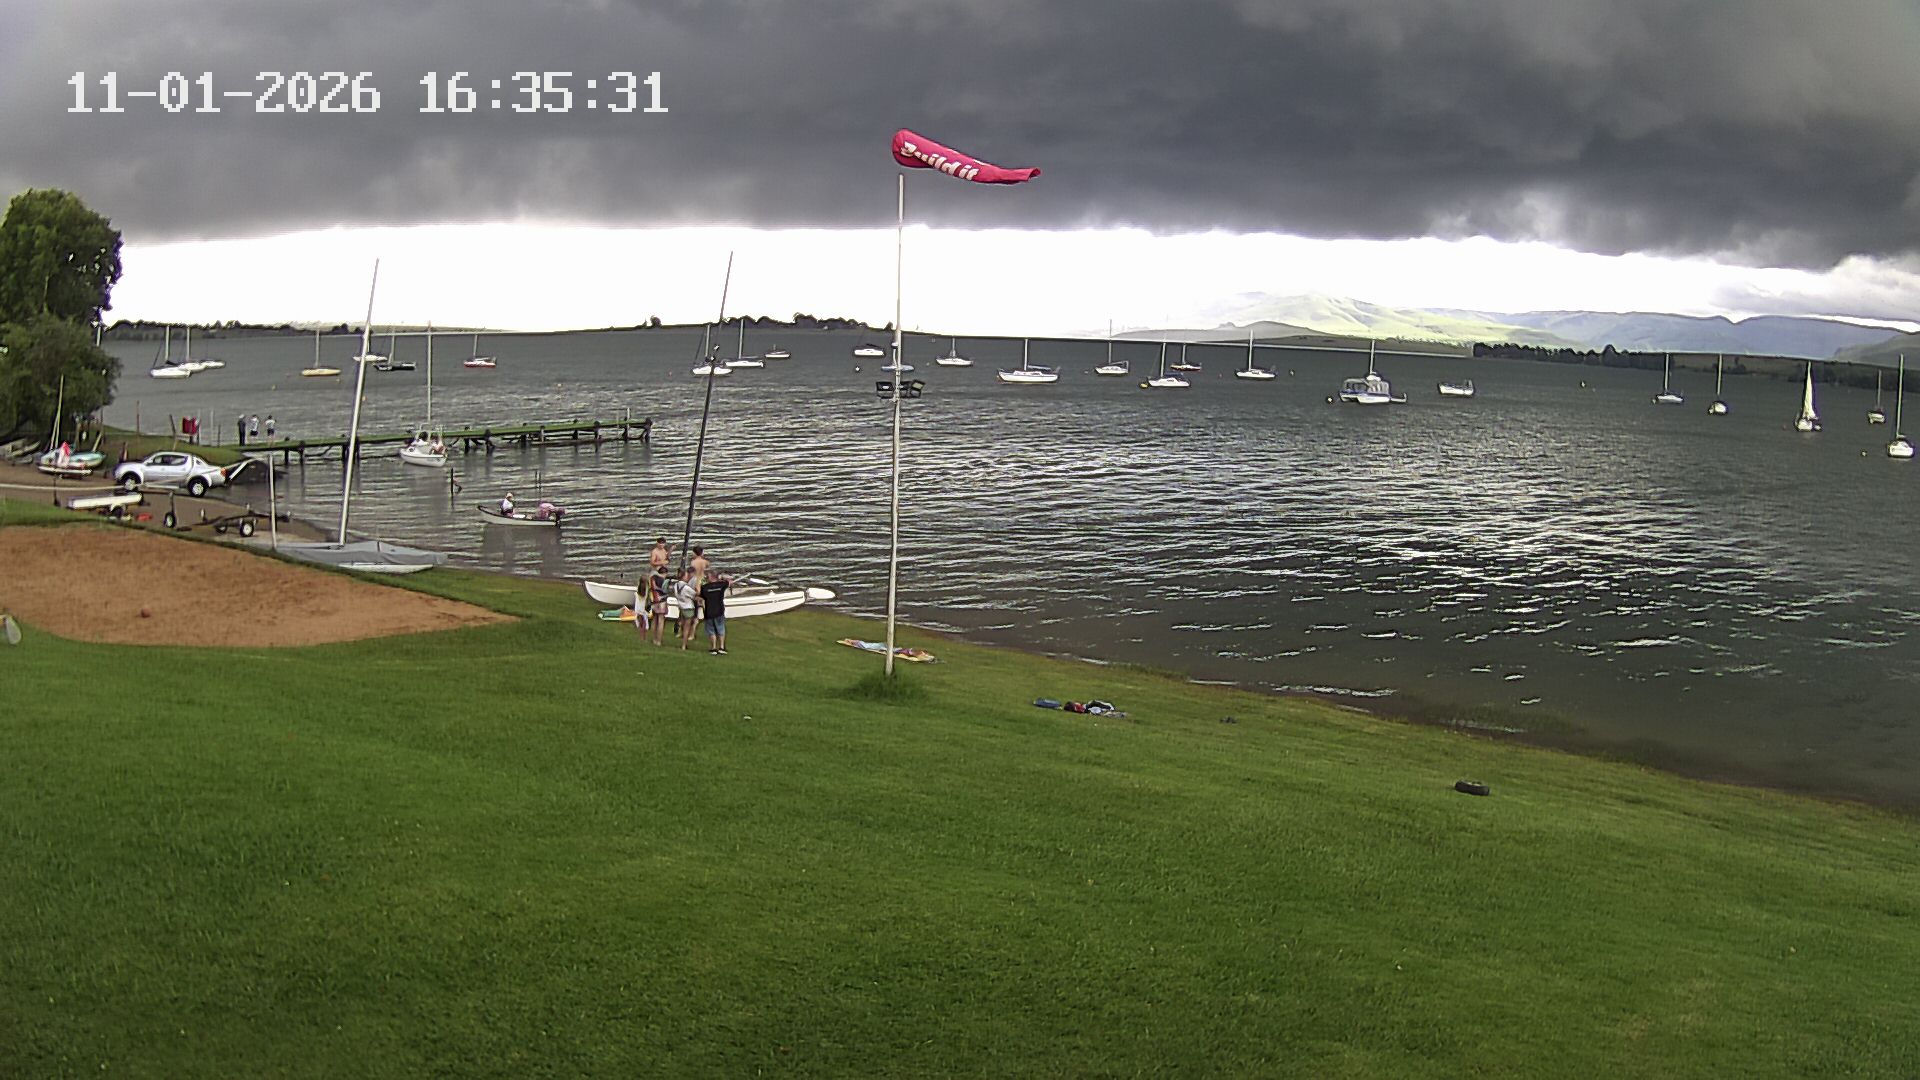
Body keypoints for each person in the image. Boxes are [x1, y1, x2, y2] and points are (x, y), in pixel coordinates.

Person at [700, 571, 730, 655]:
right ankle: (721, 647)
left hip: (709, 611)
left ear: (711, 577)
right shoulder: (721, 585)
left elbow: (701, 596)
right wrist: (721, 578)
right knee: (721, 629)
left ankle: (713, 648)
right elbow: (728, 582)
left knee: (711, 630)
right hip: (719, 610)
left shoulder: (705, 587)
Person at [673, 566, 700, 650]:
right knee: (687, 627)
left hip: (681, 606)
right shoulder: (686, 588)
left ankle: (683, 641)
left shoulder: (676, 585)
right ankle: (684, 645)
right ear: (683, 577)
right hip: (688, 607)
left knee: (682, 624)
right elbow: (695, 594)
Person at [647, 567, 671, 646]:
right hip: (662, 602)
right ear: (665, 573)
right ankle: (659, 641)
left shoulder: (653, 578)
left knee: (654, 619)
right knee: (661, 621)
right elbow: (665, 591)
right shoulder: (664, 581)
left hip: (654, 601)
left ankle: (654, 639)